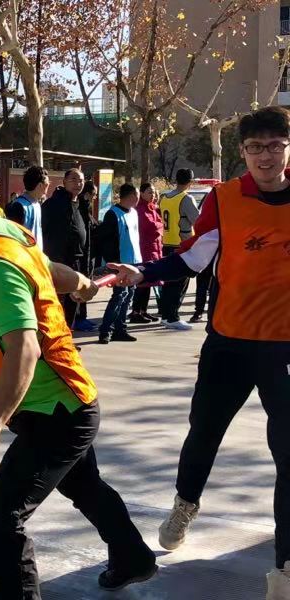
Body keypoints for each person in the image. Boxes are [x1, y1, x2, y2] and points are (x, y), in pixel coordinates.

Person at [0, 152, 156, 599]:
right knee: (84, 486)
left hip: (56, 412)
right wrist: (81, 281)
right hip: (65, 400)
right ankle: (133, 558)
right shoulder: (4, 231)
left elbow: (23, 350)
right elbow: (47, 271)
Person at [110, 106, 290, 600]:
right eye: (255, 148)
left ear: (288, 148)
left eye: (275, 146)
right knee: (204, 432)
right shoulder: (225, 199)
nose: (266, 156)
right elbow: (192, 258)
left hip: (285, 349)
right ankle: (185, 503)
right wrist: (143, 273)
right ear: (242, 152)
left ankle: (285, 566)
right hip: (229, 343)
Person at [93, 184, 141, 344]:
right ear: (132, 195)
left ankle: (120, 329)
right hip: (120, 263)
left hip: (134, 262)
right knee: (119, 296)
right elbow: (106, 242)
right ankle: (105, 330)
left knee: (128, 297)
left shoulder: (134, 213)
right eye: (137, 195)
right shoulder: (113, 214)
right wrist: (114, 264)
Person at [42, 168, 88, 331]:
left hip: (77, 260)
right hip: (58, 262)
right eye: (73, 180)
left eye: (81, 180)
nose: (78, 184)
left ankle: (67, 336)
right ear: (64, 182)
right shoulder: (52, 205)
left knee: (73, 303)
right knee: (57, 305)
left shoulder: (80, 204)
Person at [158, 168, 200, 331]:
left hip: (166, 243)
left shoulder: (164, 197)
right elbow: (197, 221)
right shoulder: (186, 198)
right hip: (182, 245)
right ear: (190, 182)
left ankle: (166, 315)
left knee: (168, 282)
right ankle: (172, 317)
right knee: (180, 283)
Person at [130, 182, 163, 323]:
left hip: (154, 248)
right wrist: (160, 225)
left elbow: (158, 225)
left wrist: (159, 225)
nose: (153, 195)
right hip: (145, 249)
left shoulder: (152, 207)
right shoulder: (140, 209)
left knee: (149, 281)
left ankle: (143, 310)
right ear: (142, 193)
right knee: (142, 282)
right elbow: (151, 227)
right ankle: (135, 311)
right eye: (149, 192)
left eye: (154, 192)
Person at [74, 181, 99, 332]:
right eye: (93, 195)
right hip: (82, 255)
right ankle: (78, 318)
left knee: (86, 286)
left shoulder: (86, 209)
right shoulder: (80, 208)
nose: (94, 198)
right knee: (80, 287)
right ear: (87, 194)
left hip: (89, 255)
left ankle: (82, 316)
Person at [5, 166, 49, 248]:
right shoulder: (19, 206)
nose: (47, 191)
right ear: (40, 185)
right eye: (46, 185)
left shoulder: (37, 204)